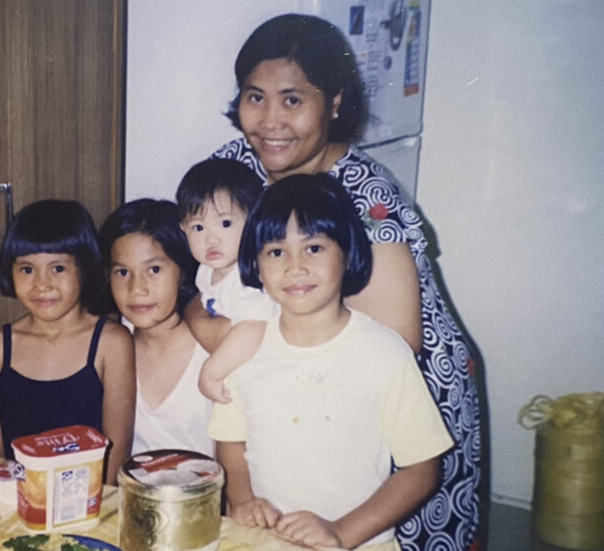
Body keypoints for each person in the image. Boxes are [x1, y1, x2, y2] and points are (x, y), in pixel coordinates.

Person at [197, 13, 482, 550]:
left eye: (293, 99)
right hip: (285, 380)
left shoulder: (366, 192)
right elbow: (199, 274)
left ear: (333, 102)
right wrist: (221, 333)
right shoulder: (234, 167)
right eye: (255, 97)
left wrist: (241, 347)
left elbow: (399, 337)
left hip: (401, 392)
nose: (270, 121)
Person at [210, 174, 452, 550]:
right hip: (265, 540)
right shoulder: (245, 351)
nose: (295, 267)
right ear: (255, 266)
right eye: (276, 252)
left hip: (361, 543)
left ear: (347, 254)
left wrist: (341, 532)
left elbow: (421, 469)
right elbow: (230, 440)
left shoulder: (384, 352)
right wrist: (242, 500)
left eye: (314, 248)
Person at [0, 199, 135, 484]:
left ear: (84, 269)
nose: (42, 284)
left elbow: (117, 447)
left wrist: (103, 513)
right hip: (20, 501)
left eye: (58, 268)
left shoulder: (111, 343)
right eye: (27, 269)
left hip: (90, 505)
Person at [98, 199, 213, 457]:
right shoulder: (111, 345)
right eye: (123, 273)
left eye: (154, 269)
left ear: (182, 271)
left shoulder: (211, 345)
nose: (137, 288)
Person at [174, 158, 275, 403]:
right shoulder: (206, 270)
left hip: (264, 382)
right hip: (235, 380)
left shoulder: (247, 276)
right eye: (198, 227)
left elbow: (252, 329)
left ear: (252, 223)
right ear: (183, 229)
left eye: (226, 223)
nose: (211, 240)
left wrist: (211, 372)